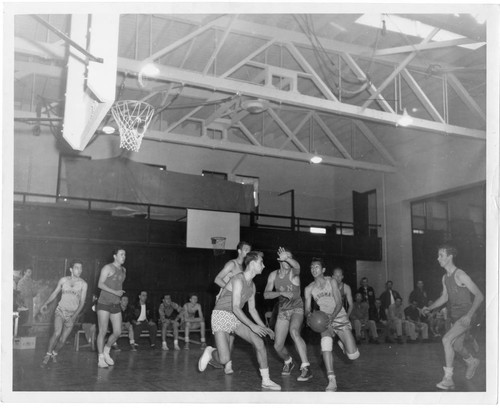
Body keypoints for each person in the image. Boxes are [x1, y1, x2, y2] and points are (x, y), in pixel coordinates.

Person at [198, 251, 281, 391]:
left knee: (259, 342)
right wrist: (252, 326)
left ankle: (266, 380)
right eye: (261, 262)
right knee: (224, 359)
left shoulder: (252, 286)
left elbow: (253, 310)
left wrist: (264, 327)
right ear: (253, 263)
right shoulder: (237, 279)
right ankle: (210, 352)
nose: (263, 265)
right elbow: (236, 307)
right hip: (221, 314)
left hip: (235, 317)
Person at [422, 244, 483, 390]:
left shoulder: (460, 274)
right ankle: (472, 361)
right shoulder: (445, 277)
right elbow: (444, 297)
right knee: (457, 346)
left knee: (446, 339)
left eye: (441, 255)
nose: (438, 259)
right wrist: (429, 308)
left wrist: (469, 315)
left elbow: (479, 296)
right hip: (456, 317)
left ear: (450, 257)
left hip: (466, 315)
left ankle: (448, 378)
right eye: (438, 256)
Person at [304, 258, 359, 392]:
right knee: (326, 346)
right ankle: (332, 380)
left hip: (338, 315)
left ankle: (343, 345)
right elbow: (306, 309)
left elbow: (339, 303)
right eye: (312, 267)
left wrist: (332, 317)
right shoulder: (309, 288)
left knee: (353, 355)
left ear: (323, 270)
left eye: (317, 267)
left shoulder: (331, 281)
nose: (313, 269)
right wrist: (309, 316)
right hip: (323, 320)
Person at [264, 247, 312, 381]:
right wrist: (280, 293)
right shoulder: (273, 275)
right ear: (279, 259)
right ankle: (288, 361)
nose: (287, 260)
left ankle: (306, 367)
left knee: (294, 332)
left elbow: (298, 266)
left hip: (297, 308)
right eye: (284, 257)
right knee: (277, 346)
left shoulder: (293, 273)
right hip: (283, 311)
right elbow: (266, 295)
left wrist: (288, 258)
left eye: (289, 257)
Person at [40, 260, 88, 367]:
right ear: (71, 269)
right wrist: (46, 303)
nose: (79, 270)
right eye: (76, 267)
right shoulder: (63, 280)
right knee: (57, 333)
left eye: (81, 268)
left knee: (62, 340)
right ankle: (47, 355)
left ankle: (54, 353)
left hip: (72, 314)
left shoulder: (83, 284)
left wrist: (73, 317)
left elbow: (82, 303)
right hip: (60, 310)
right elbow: (55, 293)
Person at [213, 241, 252, 373]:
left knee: (232, 335)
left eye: (249, 250)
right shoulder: (232, 264)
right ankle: (224, 360)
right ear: (239, 251)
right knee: (226, 333)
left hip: (236, 303)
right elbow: (217, 279)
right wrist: (229, 289)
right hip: (224, 301)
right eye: (246, 250)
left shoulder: (246, 268)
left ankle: (227, 363)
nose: (248, 252)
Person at [96, 248, 126, 368]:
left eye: (125, 255)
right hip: (104, 303)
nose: (124, 256)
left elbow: (118, 284)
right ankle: (100, 358)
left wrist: (118, 293)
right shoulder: (107, 268)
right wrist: (115, 292)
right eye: (121, 254)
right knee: (102, 331)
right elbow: (100, 284)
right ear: (115, 256)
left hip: (115, 304)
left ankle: (106, 351)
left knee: (118, 332)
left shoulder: (124, 270)